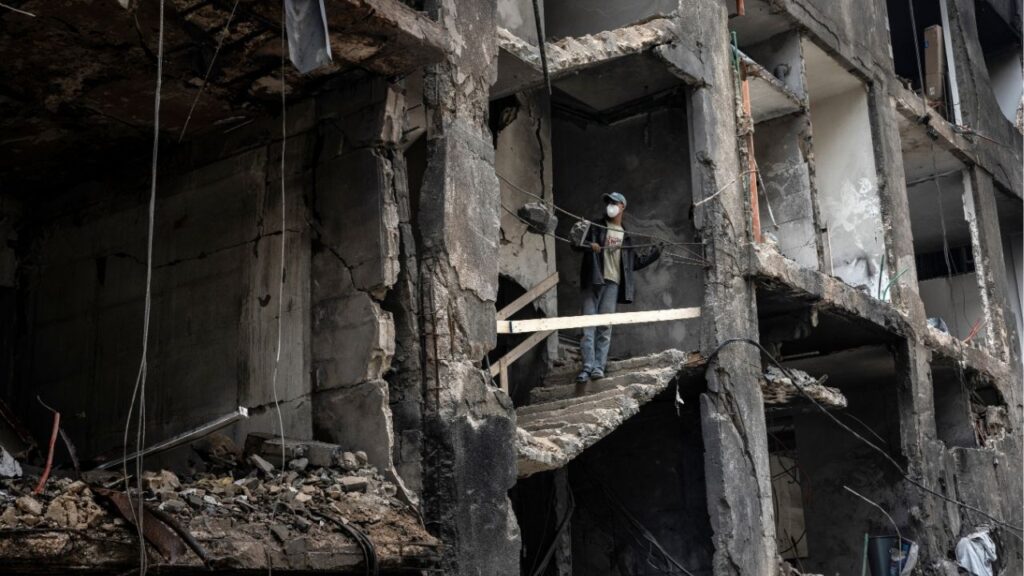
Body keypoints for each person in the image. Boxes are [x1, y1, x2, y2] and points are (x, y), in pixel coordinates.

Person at [573, 192, 662, 386]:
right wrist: (591, 245)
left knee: (605, 326)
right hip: (593, 280)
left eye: (614, 203)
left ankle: (599, 367)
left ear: (622, 206)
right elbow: (576, 243)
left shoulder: (625, 236)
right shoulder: (596, 226)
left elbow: (634, 263)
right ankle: (587, 366)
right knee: (588, 325)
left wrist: (656, 253)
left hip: (612, 283)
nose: (610, 206)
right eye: (608, 202)